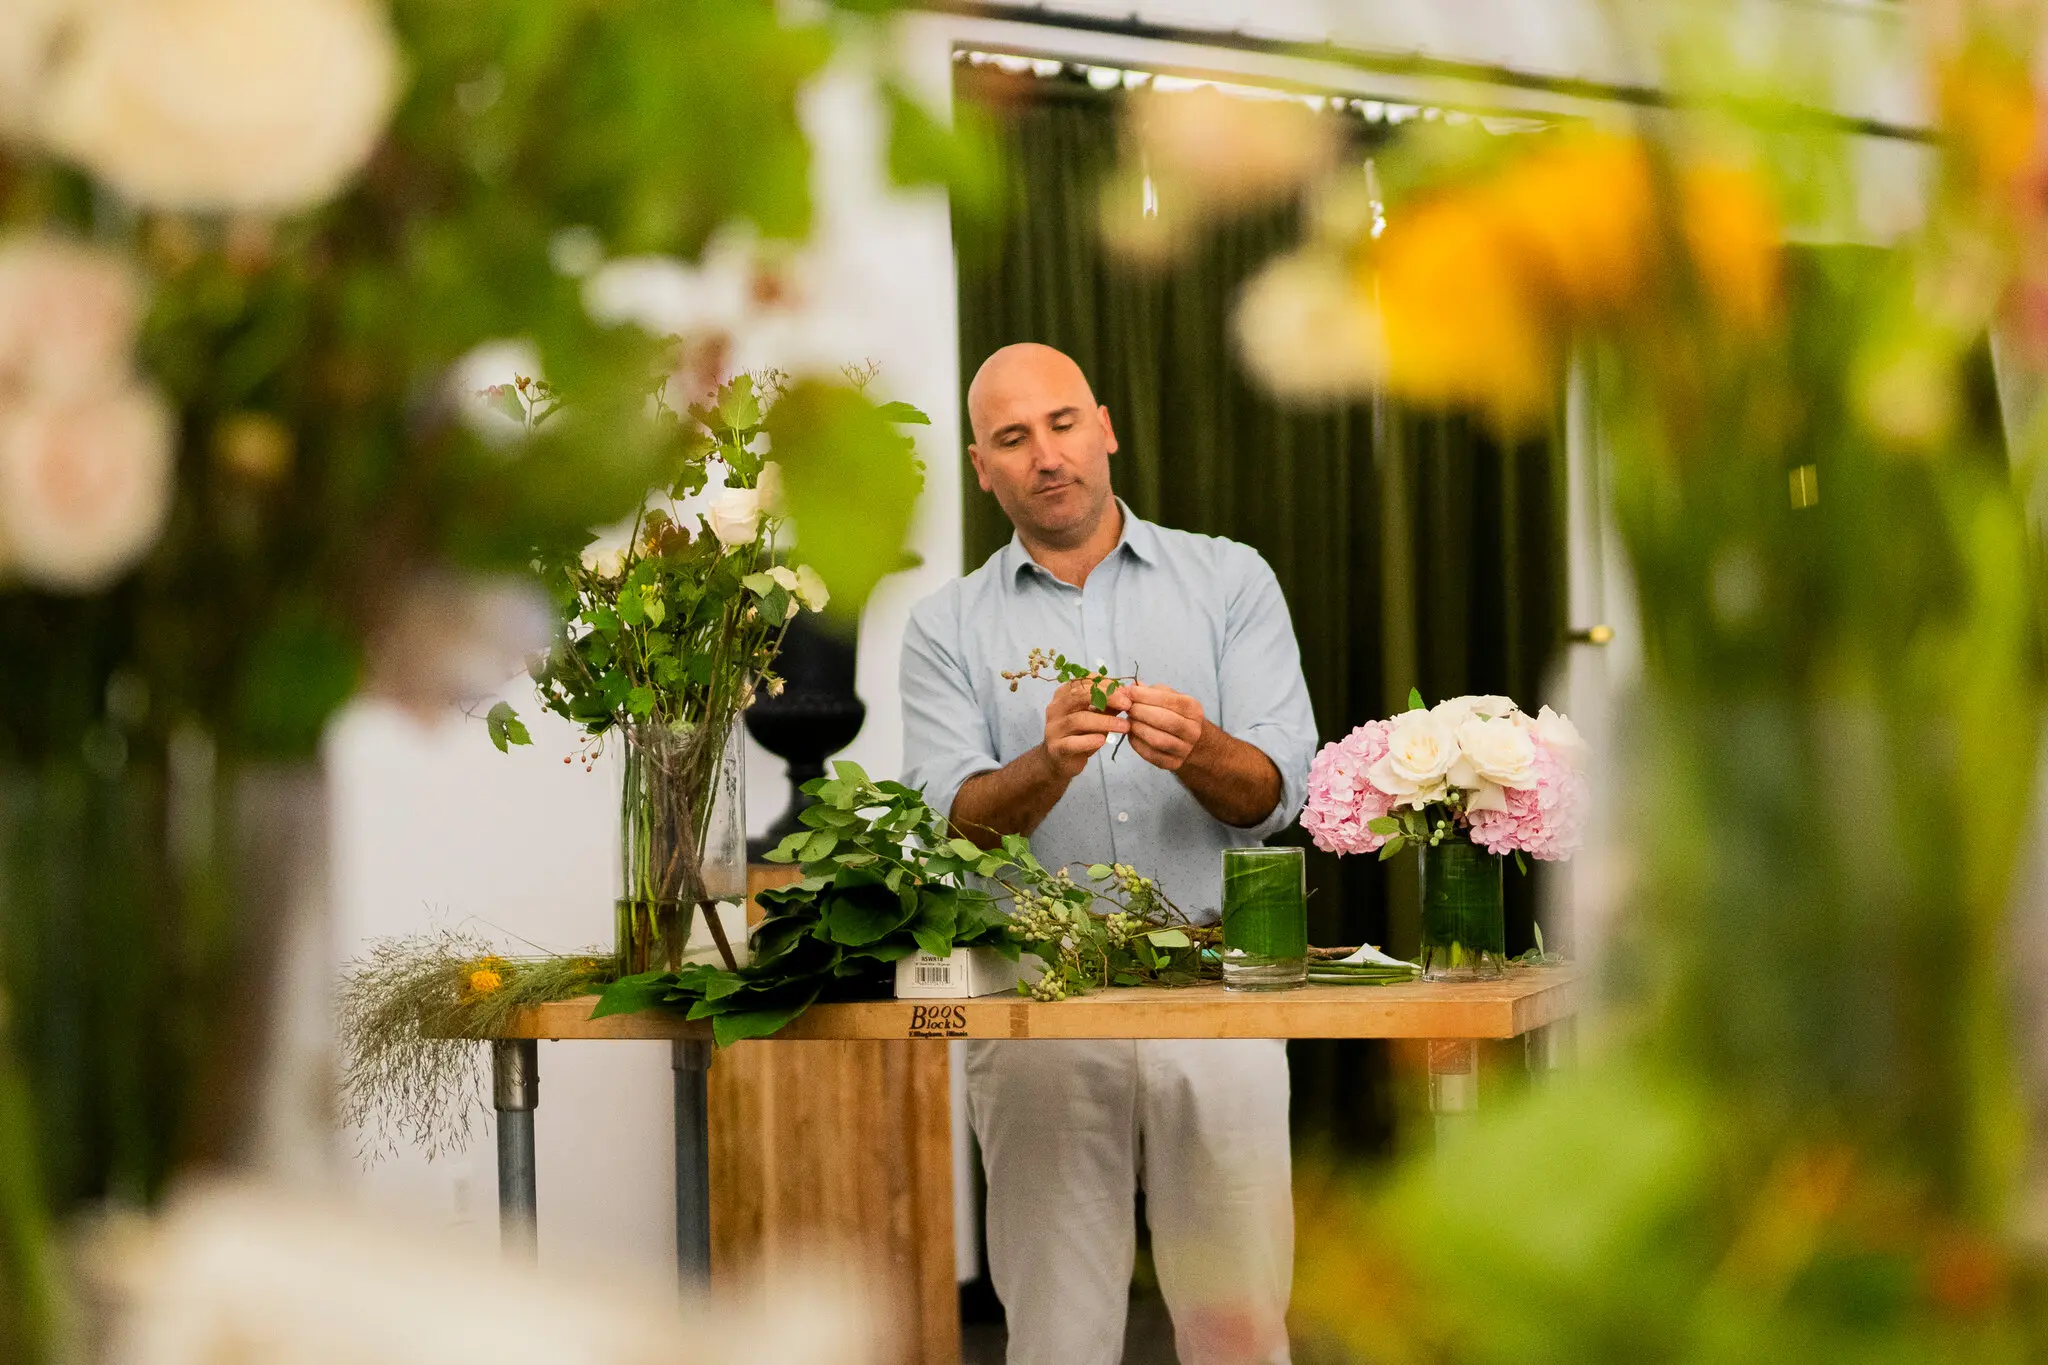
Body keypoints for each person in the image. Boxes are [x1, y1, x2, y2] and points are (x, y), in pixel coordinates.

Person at [899, 343, 1317, 1365]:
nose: (1044, 455)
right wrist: (1043, 763)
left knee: (1240, 1330)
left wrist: (1202, 750)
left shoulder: (1231, 580)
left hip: (1218, 999)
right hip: (1033, 1010)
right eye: (1011, 439)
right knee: (1054, 1338)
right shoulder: (942, 627)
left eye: (1060, 424)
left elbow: (1276, 798)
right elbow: (948, 827)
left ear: (1105, 427)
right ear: (981, 466)